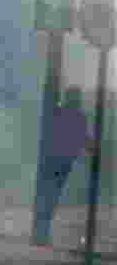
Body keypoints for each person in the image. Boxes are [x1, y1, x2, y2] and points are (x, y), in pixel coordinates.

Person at [39, 87, 92, 231]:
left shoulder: (59, 112)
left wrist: (91, 149)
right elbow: (83, 138)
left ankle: (45, 219)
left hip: (56, 158)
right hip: (62, 159)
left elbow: (83, 137)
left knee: (50, 190)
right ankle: (45, 218)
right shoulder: (77, 115)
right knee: (54, 190)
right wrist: (92, 150)